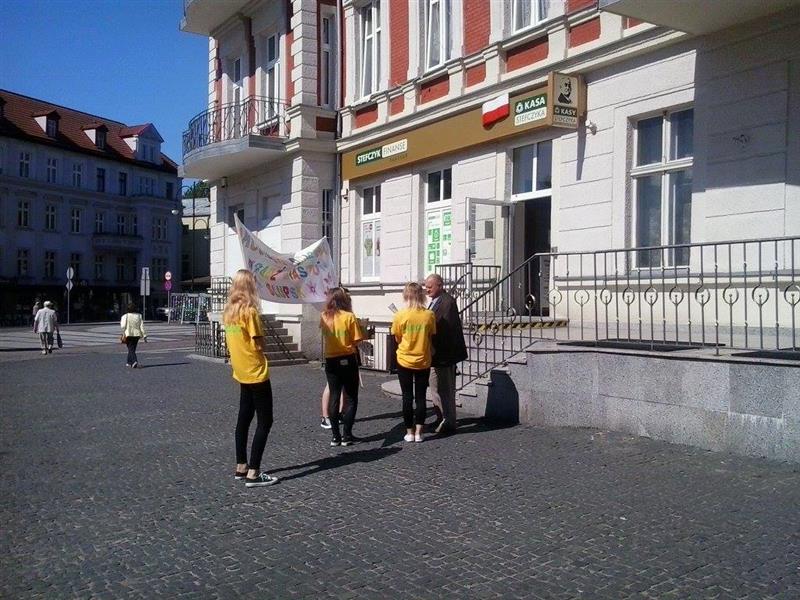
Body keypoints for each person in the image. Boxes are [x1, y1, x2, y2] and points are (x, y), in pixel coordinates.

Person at [223, 269, 278, 487]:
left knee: (243, 419)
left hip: (241, 371)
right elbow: (258, 342)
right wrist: (265, 344)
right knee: (265, 421)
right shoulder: (250, 312)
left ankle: (241, 466)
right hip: (256, 372)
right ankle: (254, 472)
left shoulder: (229, 313)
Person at [391, 282, 437, 443]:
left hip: (404, 359)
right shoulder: (429, 315)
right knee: (421, 397)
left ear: (406, 296)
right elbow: (431, 336)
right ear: (421, 295)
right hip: (423, 360)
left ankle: (409, 432)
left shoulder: (400, 315)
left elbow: (397, 338)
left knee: (407, 397)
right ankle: (419, 433)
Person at [424, 273, 468, 435]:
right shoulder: (435, 301)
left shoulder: (447, 302)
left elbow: (445, 329)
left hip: (444, 355)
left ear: (440, 285)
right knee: (435, 388)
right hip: (435, 355)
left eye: (430, 286)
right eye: (426, 287)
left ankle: (449, 422)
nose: (427, 289)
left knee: (445, 390)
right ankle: (440, 418)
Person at [320, 287, 364, 447]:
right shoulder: (349, 316)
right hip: (347, 358)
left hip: (331, 359)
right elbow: (357, 340)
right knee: (351, 397)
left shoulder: (324, 316)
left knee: (334, 395)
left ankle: (335, 436)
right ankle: (347, 435)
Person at [120, 303, 147, 368]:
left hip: (128, 334)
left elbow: (123, 326)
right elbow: (142, 326)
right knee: (132, 348)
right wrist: (144, 335)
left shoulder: (125, 316)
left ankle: (134, 361)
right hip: (137, 334)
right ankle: (129, 362)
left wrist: (123, 331)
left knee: (130, 348)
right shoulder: (139, 316)